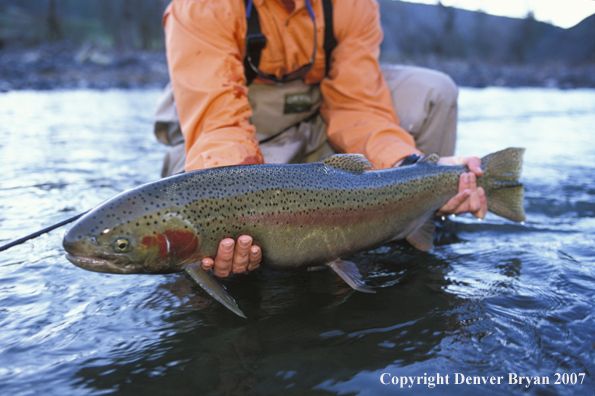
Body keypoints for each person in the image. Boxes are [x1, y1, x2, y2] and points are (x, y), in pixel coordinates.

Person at [154, 0, 487, 278]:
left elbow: (357, 104)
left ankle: (413, 213)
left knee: (435, 90)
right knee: (198, 201)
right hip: (240, 119)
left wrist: (409, 165)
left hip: (322, 111)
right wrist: (229, 219)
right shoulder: (202, 6)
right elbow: (219, 125)